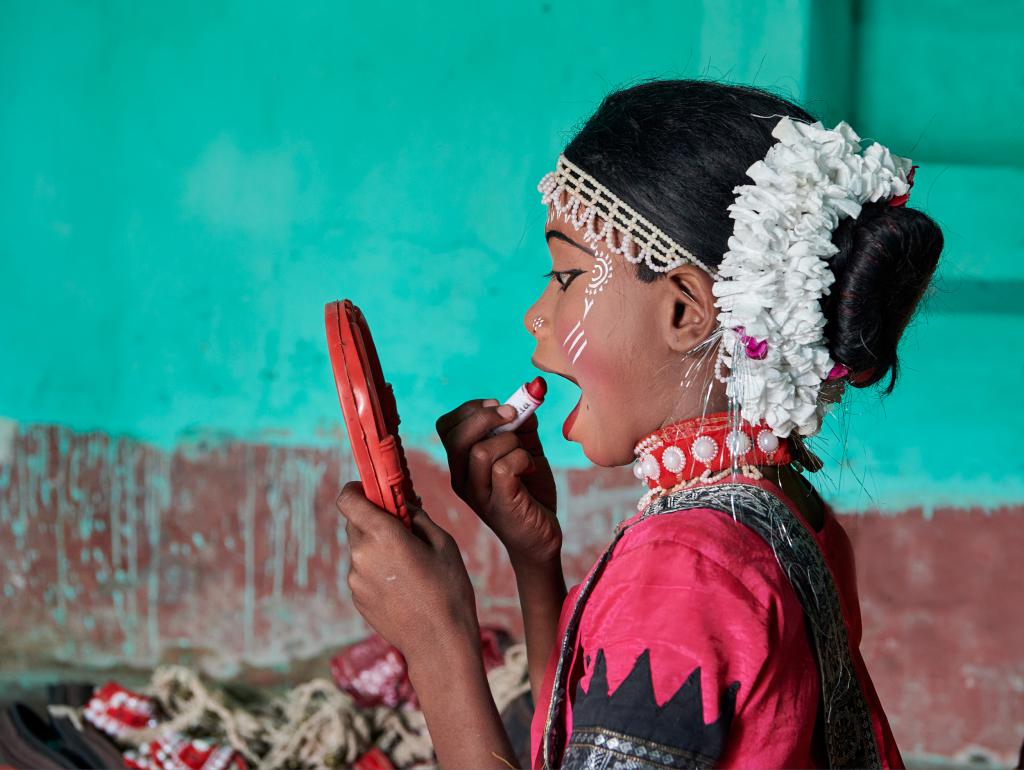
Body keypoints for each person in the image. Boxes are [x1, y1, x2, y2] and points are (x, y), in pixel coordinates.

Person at [336, 79, 944, 769]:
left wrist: (438, 644)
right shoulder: (784, 511)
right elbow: (574, 747)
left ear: (685, 311)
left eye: (566, 275)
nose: (536, 315)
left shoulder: (684, 568)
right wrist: (536, 561)